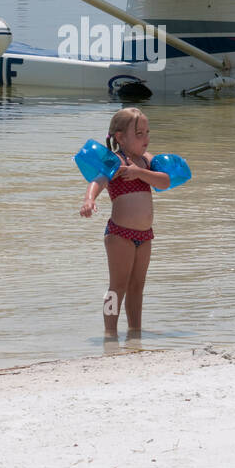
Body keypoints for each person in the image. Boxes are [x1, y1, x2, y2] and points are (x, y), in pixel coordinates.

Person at [78, 107, 170, 338]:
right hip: (120, 235)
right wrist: (89, 199)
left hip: (145, 235)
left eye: (147, 132)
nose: (146, 139)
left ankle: (135, 330)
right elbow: (97, 181)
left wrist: (139, 172)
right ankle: (110, 332)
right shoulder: (116, 162)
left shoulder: (146, 162)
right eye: (139, 134)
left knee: (138, 285)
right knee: (117, 287)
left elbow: (165, 181)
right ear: (120, 137)